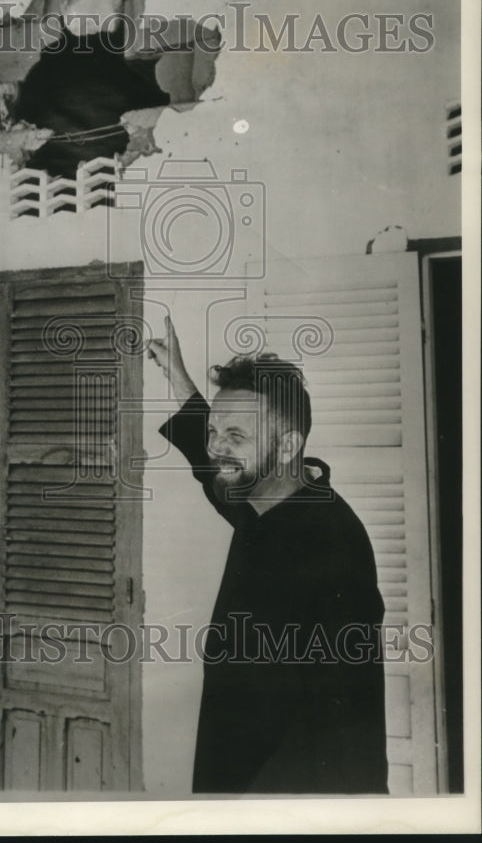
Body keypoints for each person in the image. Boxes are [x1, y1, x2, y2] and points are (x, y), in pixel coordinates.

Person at [147, 316, 389, 795]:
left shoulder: (331, 548)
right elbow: (210, 466)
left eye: (235, 437)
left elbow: (340, 726)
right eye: (215, 431)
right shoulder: (263, 501)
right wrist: (178, 375)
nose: (217, 447)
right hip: (235, 781)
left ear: (287, 446)